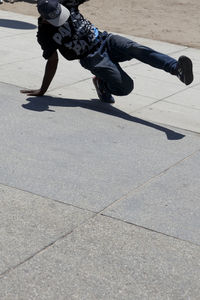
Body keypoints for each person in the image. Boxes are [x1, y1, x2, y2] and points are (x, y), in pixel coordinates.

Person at [21, 0, 194, 104]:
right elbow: (52, 62)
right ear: (44, 18)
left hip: (106, 40)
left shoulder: (66, 2)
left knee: (136, 48)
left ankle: (176, 69)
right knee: (126, 87)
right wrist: (42, 90)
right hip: (92, 58)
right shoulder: (44, 35)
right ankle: (102, 85)